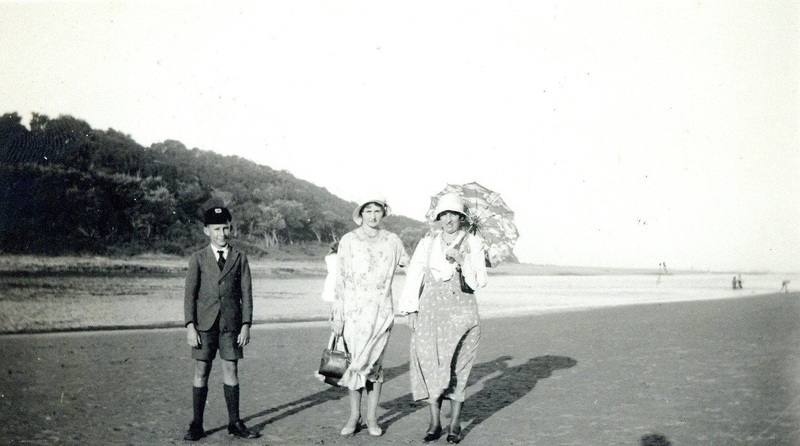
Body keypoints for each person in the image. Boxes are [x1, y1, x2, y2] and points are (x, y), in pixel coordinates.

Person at [399, 193, 488, 444]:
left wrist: (463, 261)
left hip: (463, 314)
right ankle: (435, 422)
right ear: (438, 218)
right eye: (444, 214)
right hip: (430, 313)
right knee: (430, 365)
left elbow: (478, 282)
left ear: (462, 217)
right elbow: (414, 276)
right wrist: (411, 309)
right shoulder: (426, 243)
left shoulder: (474, 243)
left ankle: (455, 424)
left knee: (459, 367)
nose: (449, 219)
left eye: (454, 214)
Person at [328, 197, 409, 437]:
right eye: (368, 211)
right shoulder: (348, 240)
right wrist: (338, 315)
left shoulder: (393, 240)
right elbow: (340, 280)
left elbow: (411, 267)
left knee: (374, 365)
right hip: (353, 313)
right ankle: (355, 416)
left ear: (383, 214)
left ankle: (372, 417)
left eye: (377, 211)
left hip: (382, 312)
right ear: (361, 214)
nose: (373, 215)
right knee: (354, 363)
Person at [182, 207, 259, 441]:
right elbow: (189, 295)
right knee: (201, 370)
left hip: (231, 326)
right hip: (204, 325)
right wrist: (190, 326)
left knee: (231, 369)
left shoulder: (239, 257)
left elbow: (246, 294)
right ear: (207, 231)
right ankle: (197, 424)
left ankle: (234, 422)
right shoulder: (198, 258)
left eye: (225, 228)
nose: (222, 234)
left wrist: (246, 325)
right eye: (216, 229)